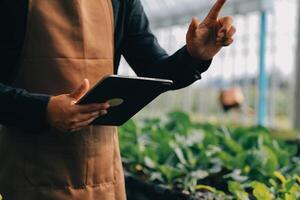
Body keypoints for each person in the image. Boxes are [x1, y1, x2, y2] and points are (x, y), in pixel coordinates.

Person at [0, 0, 235, 199]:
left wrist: (194, 56)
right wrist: (43, 110)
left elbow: (156, 69)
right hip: (31, 174)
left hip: (104, 175)